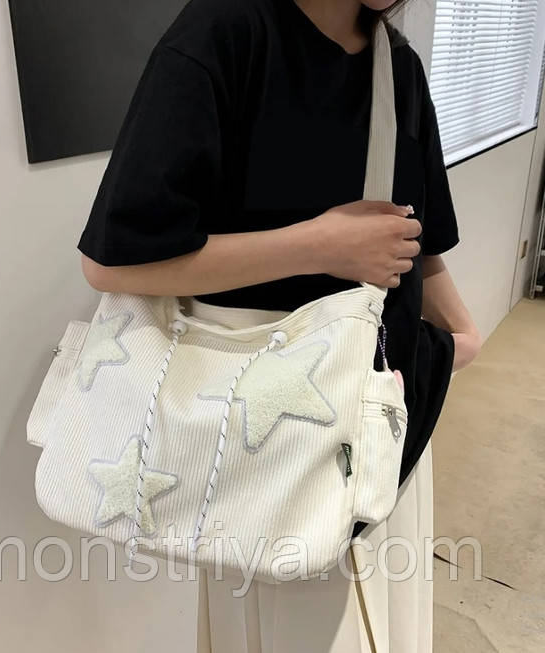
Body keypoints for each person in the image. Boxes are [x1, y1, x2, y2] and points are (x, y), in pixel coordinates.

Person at [77, 0, 482, 650]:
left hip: (390, 414)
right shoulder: (225, 32)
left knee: (391, 626)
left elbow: (415, 235)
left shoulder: (397, 65)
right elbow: (112, 261)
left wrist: (462, 332)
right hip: (270, 442)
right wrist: (319, 245)